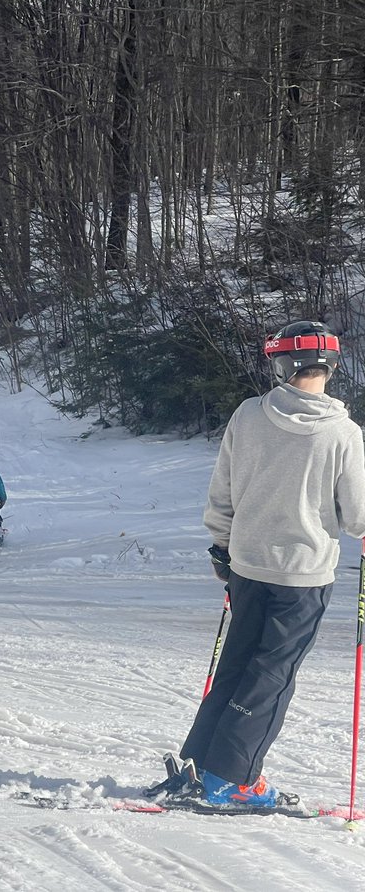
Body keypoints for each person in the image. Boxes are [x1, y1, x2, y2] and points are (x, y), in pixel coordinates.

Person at [156, 321, 365, 809]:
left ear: (280, 365)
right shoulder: (342, 432)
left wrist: (221, 547)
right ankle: (232, 779)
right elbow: (357, 515)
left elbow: (223, 489)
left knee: (237, 664)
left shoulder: (249, 415)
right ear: (330, 367)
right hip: (302, 577)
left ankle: (203, 764)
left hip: (247, 565)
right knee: (270, 676)